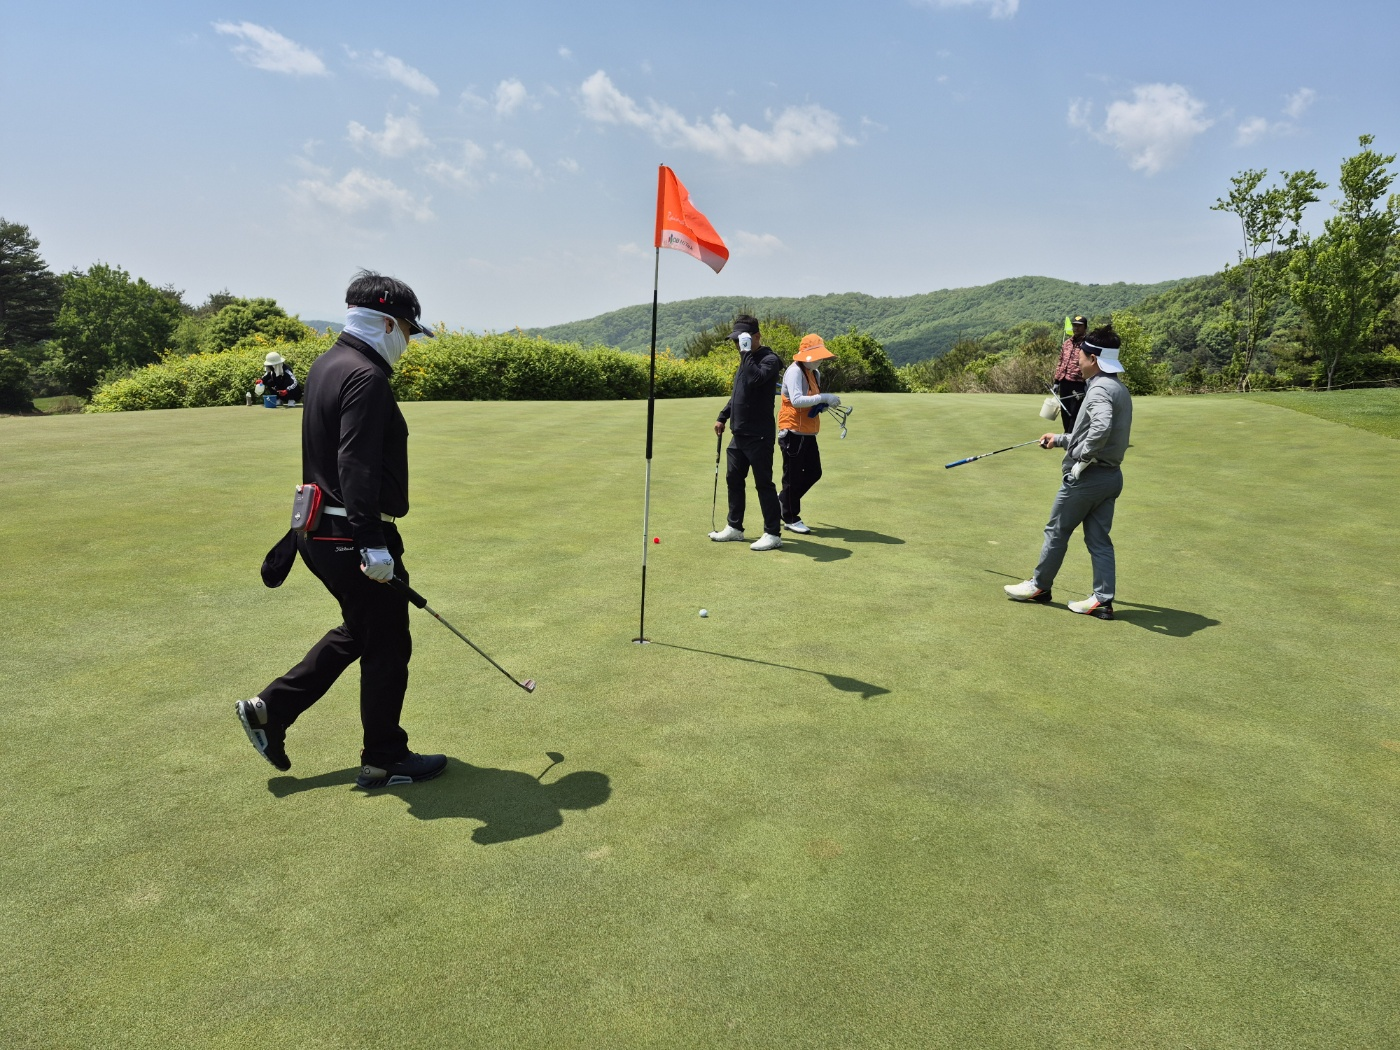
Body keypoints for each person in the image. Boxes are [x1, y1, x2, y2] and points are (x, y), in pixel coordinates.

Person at [236, 270, 447, 789]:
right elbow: (355, 464)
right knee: (388, 644)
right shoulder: (366, 376)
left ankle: (270, 709)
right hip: (350, 535)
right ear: (385, 322)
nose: (407, 341)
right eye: (406, 329)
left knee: (364, 629)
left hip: (321, 530)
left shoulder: (329, 363)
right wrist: (371, 543)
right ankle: (385, 758)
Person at [1004, 325, 1132, 620]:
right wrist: (1060, 439)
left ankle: (1040, 586)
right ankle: (1102, 600)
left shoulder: (1099, 389)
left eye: (1082, 356)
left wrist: (1081, 459)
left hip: (1088, 478)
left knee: (1057, 530)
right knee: (1099, 540)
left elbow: (1101, 427)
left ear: (1094, 359)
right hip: (1111, 477)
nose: (1077, 361)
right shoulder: (1118, 388)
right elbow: (1090, 431)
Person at [708, 315, 784, 551]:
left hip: (759, 435)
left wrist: (745, 353)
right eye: (736, 341)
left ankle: (773, 533)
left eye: (741, 340)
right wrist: (723, 416)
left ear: (757, 336)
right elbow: (738, 394)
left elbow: (755, 380)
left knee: (763, 484)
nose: (737, 345)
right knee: (733, 479)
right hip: (738, 434)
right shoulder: (746, 360)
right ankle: (735, 528)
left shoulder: (770, 360)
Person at [777, 333, 842, 534]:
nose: (820, 360)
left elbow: (811, 400)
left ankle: (783, 500)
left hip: (808, 431)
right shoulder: (794, 371)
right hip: (792, 430)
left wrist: (822, 405)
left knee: (814, 472)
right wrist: (824, 397)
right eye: (817, 356)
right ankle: (790, 517)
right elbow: (797, 400)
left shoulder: (814, 373)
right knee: (793, 477)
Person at [1052, 315, 1089, 431]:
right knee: (1065, 412)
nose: (1076, 328)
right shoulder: (1067, 343)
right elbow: (1061, 362)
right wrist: (1056, 381)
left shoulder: (1088, 344)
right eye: (1074, 325)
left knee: (1075, 413)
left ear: (1085, 327)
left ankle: (1071, 436)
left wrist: (1089, 382)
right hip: (1064, 382)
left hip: (1078, 383)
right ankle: (1067, 434)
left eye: (1079, 326)